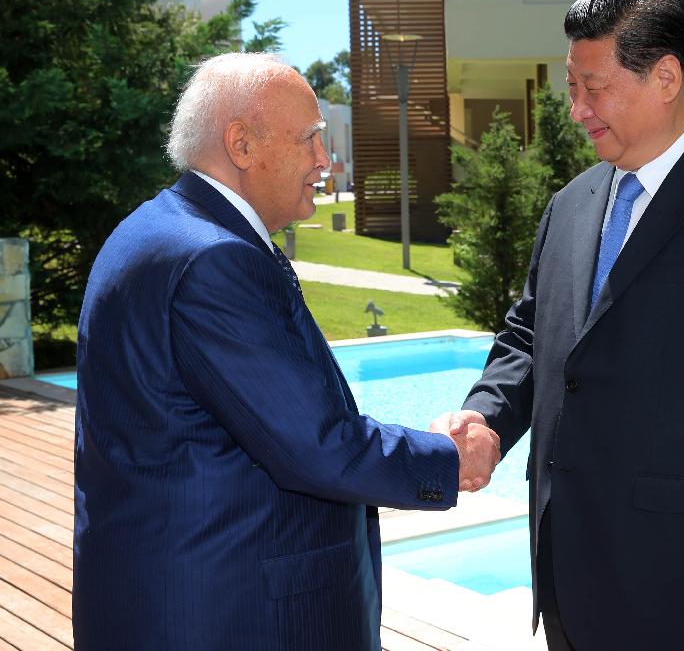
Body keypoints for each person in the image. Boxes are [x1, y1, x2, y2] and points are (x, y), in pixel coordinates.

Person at [433, 0, 684, 650]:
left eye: (594, 87)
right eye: (571, 87)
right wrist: (487, 418)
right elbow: (532, 335)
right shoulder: (568, 204)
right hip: (566, 574)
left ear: (667, 77)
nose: (575, 110)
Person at [73, 52, 500, 651]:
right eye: (309, 140)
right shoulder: (212, 258)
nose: (324, 161)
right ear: (241, 144)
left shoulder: (152, 228)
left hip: (169, 597)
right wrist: (447, 460)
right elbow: (317, 445)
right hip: (235, 616)